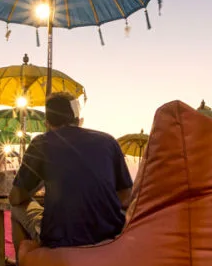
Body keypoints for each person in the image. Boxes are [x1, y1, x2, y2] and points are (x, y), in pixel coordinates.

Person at [9, 92, 133, 252]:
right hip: (110, 236)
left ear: (47, 123)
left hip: (61, 239)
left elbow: (15, 198)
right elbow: (126, 197)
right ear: (78, 120)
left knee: (15, 209)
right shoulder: (108, 141)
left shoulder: (42, 143)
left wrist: (38, 179)